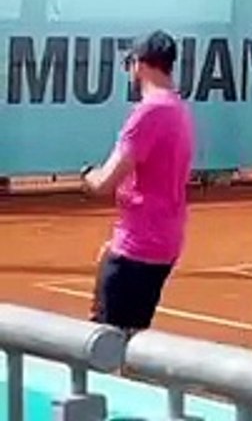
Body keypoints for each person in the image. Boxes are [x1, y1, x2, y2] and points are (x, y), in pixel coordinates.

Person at [80, 31, 195, 334]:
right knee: (129, 334)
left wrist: (87, 175)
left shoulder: (149, 112)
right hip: (163, 242)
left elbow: (104, 183)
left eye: (130, 62)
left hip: (138, 247)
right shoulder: (177, 108)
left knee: (107, 342)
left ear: (140, 64)